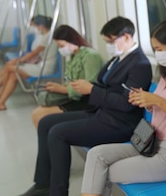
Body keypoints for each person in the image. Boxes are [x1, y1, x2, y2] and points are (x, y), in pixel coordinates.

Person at [18, 16, 153, 196]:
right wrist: (86, 87)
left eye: (111, 41)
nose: (108, 46)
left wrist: (91, 90)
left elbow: (126, 103)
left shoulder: (139, 64)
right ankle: (43, 184)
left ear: (127, 37)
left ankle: (57, 192)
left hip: (119, 123)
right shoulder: (118, 58)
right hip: (101, 113)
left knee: (58, 133)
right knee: (45, 123)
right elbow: (103, 84)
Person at [80, 20, 166, 196]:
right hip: (150, 141)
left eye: (160, 49)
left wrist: (158, 101)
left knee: (102, 171)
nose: (157, 54)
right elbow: (160, 110)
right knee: (96, 154)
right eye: (155, 49)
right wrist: (147, 103)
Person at [0, 15, 57, 112]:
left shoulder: (47, 37)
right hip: (39, 65)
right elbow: (36, 55)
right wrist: (19, 60)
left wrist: (19, 60)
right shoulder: (44, 36)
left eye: (35, 26)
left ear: (41, 26)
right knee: (13, 75)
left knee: (9, 67)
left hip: (44, 68)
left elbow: (34, 53)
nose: (35, 29)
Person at [31, 24, 104, 128]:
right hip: (75, 98)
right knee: (37, 113)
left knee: (40, 115)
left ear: (72, 40)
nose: (60, 49)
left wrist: (62, 89)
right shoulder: (74, 56)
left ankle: (52, 141)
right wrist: (58, 87)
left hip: (86, 102)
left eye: (61, 45)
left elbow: (91, 86)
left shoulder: (90, 56)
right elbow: (71, 80)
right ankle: (49, 142)